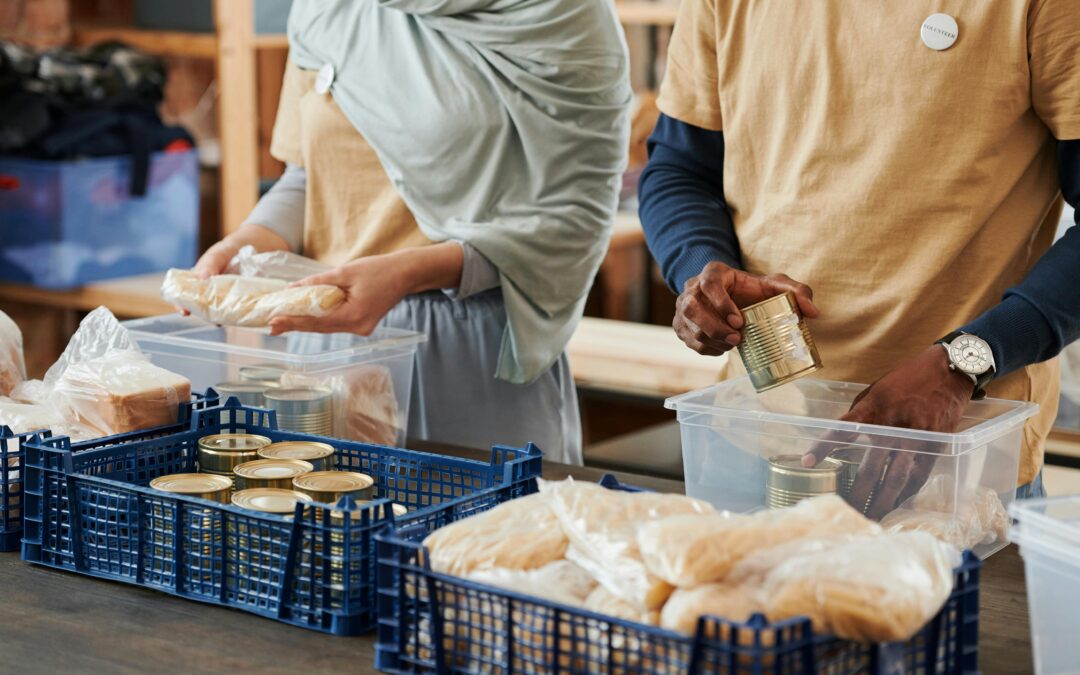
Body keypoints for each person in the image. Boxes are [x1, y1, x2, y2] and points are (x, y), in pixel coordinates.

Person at [639, 1, 1079, 515]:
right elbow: (678, 169)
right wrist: (699, 267)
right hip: (764, 429)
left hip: (959, 456)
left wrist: (965, 362)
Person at [192, 0, 631, 464]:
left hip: (472, 352)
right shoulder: (326, 8)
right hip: (327, 350)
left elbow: (577, 218)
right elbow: (307, 176)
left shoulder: (562, 12)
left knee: (481, 532)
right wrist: (245, 241)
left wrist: (411, 271)